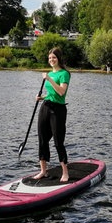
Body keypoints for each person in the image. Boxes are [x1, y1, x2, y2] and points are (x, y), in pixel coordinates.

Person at [32, 47, 71, 182]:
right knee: (42, 139)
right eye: (49, 58)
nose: (51, 60)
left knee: (58, 141)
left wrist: (49, 79)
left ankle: (65, 172)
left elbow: (61, 92)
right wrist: (41, 98)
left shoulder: (64, 74)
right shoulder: (49, 73)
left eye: (54, 57)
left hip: (58, 110)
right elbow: (51, 94)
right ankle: (43, 171)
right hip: (45, 107)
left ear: (59, 58)